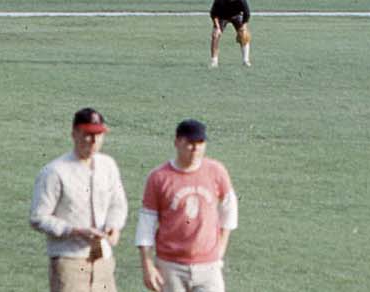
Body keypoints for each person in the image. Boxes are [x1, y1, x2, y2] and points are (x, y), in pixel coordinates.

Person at [30, 107, 129, 292]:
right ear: (74, 134)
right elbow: (38, 217)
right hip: (69, 260)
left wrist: (114, 226)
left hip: (103, 259)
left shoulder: (108, 165)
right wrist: (73, 230)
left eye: (98, 135)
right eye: (88, 134)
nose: (93, 141)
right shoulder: (55, 171)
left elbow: (118, 204)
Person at [136, 119, 239, 292]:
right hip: (170, 267)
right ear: (177, 143)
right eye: (190, 143)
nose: (195, 149)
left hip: (208, 267)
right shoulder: (159, 177)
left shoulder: (216, 171)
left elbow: (230, 208)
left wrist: (221, 248)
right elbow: (146, 223)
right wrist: (147, 265)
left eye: (200, 143)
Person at [209, 0, 251, 68]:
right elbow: (213, 14)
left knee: (244, 35)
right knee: (215, 35)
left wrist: (243, 27)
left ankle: (246, 60)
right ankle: (214, 61)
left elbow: (246, 14)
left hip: (236, 16)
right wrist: (217, 27)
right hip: (222, 17)